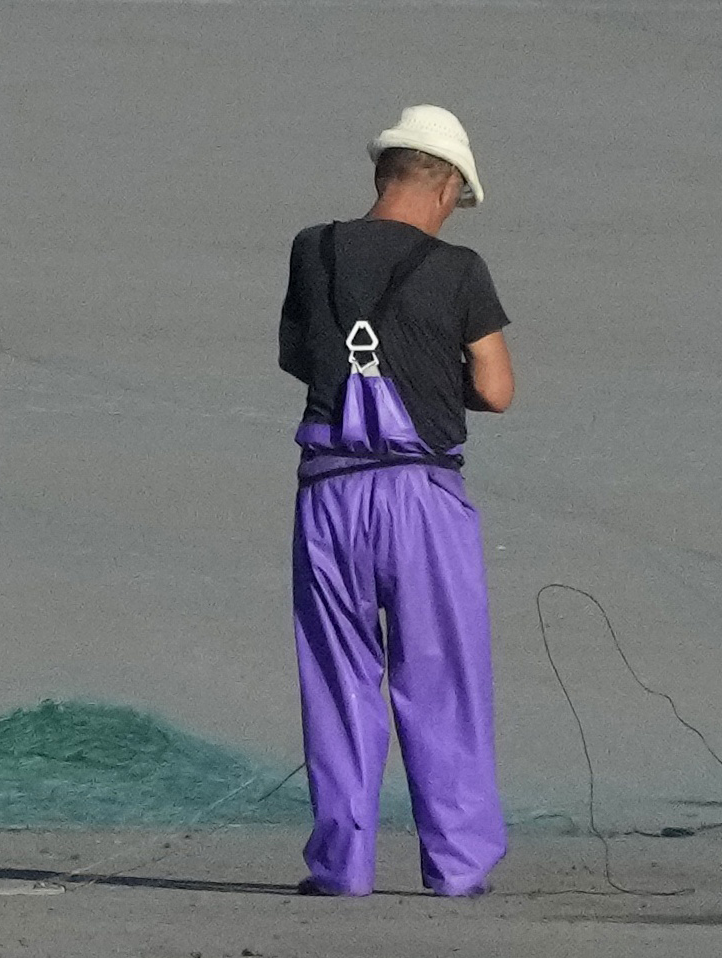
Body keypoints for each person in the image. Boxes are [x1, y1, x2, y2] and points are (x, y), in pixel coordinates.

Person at [279, 107, 514, 899]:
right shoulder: (461, 269)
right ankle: (458, 865)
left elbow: (297, 355)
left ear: (383, 175)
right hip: (421, 500)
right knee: (440, 678)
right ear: (446, 185)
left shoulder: (314, 250)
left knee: (338, 677)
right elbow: (497, 389)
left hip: (330, 493)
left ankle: (341, 866)